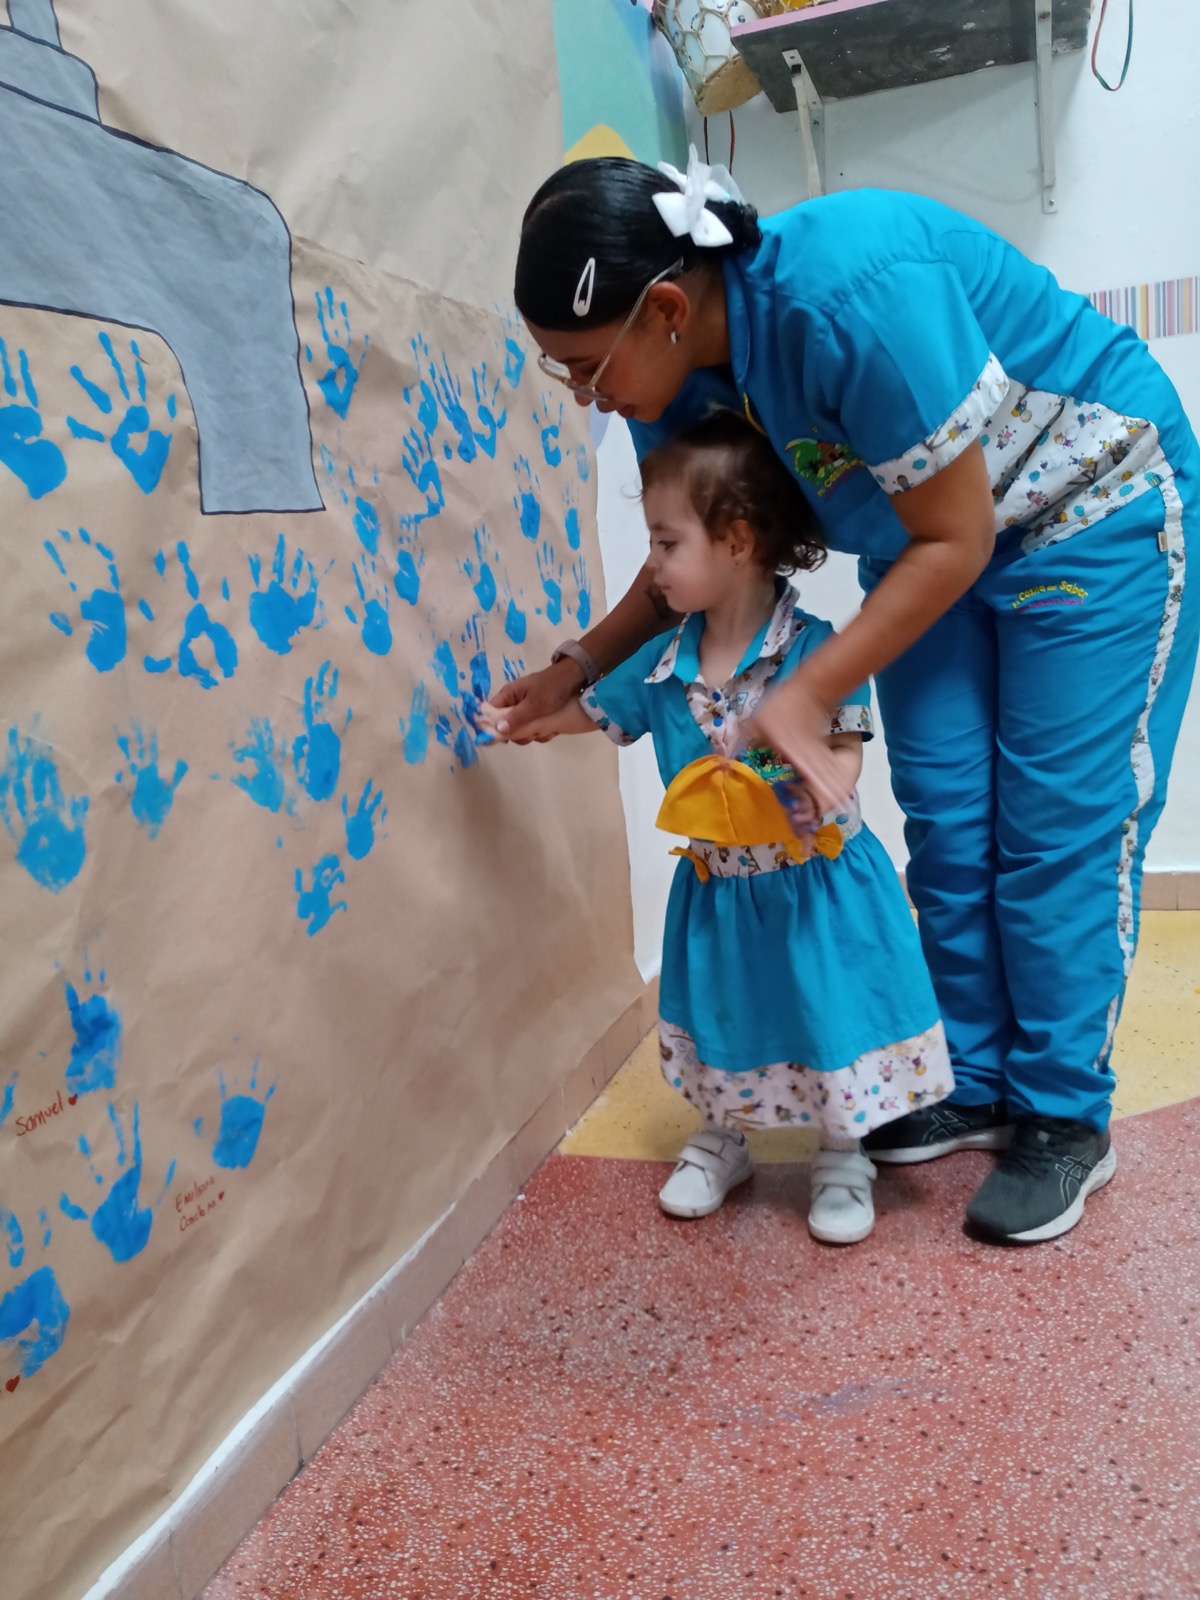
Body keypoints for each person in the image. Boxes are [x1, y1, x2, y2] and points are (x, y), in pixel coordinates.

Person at [491, 149, 1200, 1245]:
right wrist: (581, 663)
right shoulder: (675, 378)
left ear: (666, 306)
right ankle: (974, 1079)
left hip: (1087, 509)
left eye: (584, 367)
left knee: (1059, 828)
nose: (586, 396)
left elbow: (958, 533)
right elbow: (679, 555)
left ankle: (1065, 1114)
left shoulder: (849, 294)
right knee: (949, 819)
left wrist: (807, 689)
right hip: (927, 552)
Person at [481, 413, 953, 1245]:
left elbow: (843, 756)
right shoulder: (662, 664)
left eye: (666, 544)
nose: (652, 565)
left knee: (826, 1010)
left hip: (817, 887)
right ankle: (724, 1135)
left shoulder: (818, 651)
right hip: (719, 892)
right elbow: (590, 713)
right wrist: (528, 721)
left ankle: (844, 1152)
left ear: (736, 542)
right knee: (725, 1013)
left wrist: (817, 788)